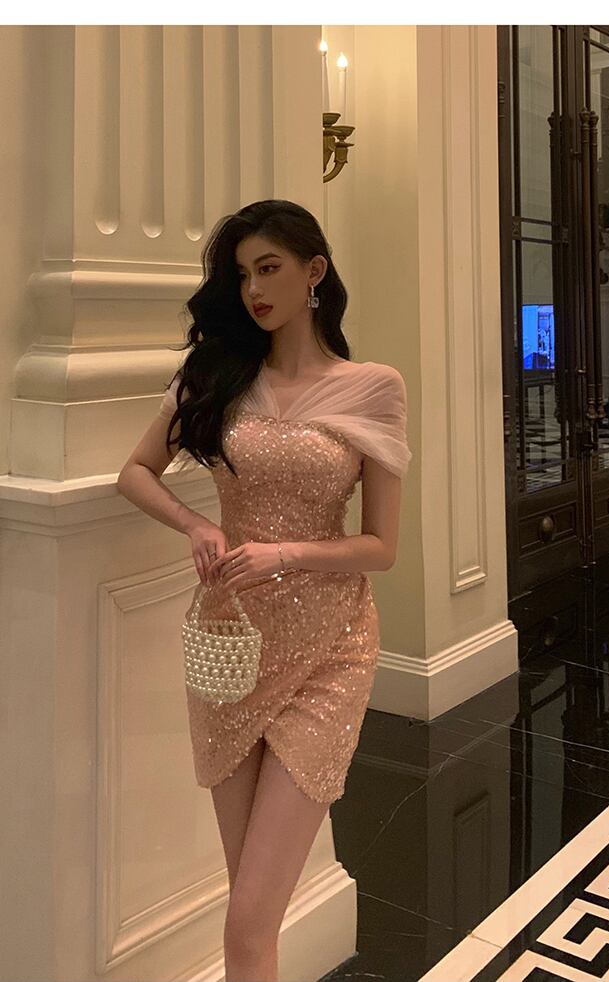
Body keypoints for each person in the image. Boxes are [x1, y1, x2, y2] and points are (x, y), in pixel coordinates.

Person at [116, 199, 411, 982]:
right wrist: (195, 525)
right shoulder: (214, 376)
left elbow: (381, 548)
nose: (252, 288)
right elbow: (134, 472)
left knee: (248, 919)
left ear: (314, 272)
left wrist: (283, 552)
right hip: (230, 645)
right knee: (251, 910)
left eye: (268, 268)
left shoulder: (373, 388)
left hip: (331, 649)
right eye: (242, 273)